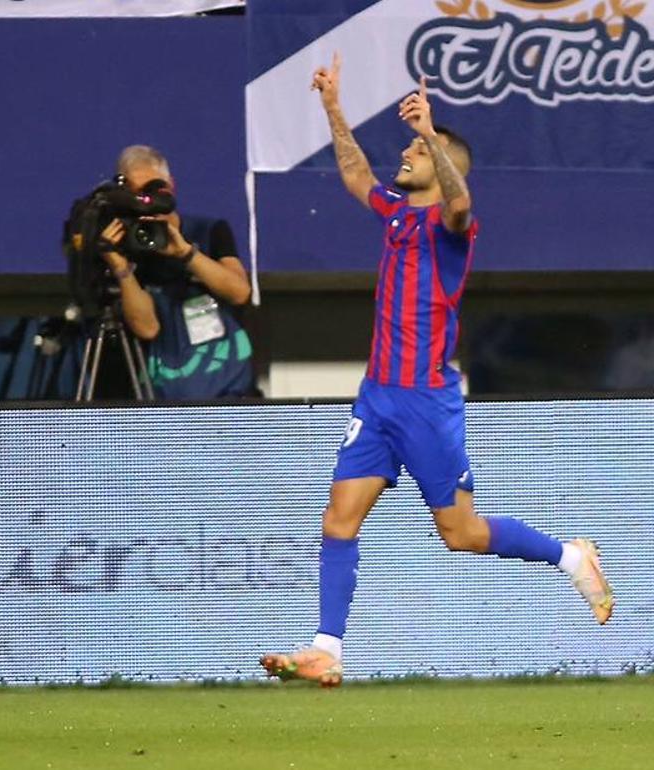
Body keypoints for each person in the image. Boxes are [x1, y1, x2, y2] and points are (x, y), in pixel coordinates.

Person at [259, 56, 613, 686]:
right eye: (409, 145)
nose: (406, 153)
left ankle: (568, 555)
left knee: (462, 534)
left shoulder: (455, 227)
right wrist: (334, 108)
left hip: (426, 401)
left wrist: (430, 135)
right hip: (377, 400)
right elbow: (353, 171)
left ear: (439, 158)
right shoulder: (395, 212)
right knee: (339, 519)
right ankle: (327, 648)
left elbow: (460, 198)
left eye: (417, 150)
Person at [98, 145, 255, 400]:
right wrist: (120, 267)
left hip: (229, 395)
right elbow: (147, 328)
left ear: (170, 186)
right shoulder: (128, 248)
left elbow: (240, 293)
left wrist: (185, 253)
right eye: (136, 194)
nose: (147, 201)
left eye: (153, 189)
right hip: (164, 402)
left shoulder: (209, 230)